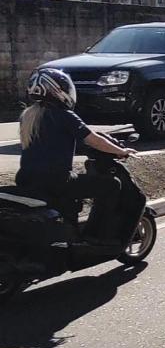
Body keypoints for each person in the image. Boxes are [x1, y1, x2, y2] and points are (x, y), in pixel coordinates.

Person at [15, 68, 138, 245]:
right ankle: (100, 236)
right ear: (57, 90)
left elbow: (53, 139)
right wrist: (121, 151)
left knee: (78, 185)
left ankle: (72, 228)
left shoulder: (27, 117)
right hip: (56, 180)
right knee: (112, 185)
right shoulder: (64, 115)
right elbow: (93, 140)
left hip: (27, 179)